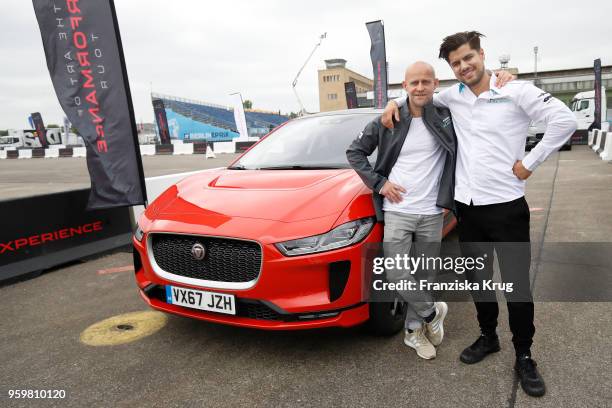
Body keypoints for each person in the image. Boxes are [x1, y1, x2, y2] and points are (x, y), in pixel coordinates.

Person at [381, 31, 577, 397]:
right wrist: (393, 102)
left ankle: (525, 354)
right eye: (456, 63)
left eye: (468, 58)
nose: (463, 66)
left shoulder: (515, 91)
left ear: (482, 55)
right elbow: (418, 94)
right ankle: (489, 337)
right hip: (467, 209)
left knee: (517, 286)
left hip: (507, 207)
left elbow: (565, 121)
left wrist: (530, 163)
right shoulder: (451, 97)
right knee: (479, 282)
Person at [346, 61, 455, 360]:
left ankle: (413, 332)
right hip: (398, 210)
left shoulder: (446, 116)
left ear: (435, 84)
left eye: (425, 82)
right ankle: (433, 313)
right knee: (396, 272)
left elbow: (473, 96)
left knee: (426, 276)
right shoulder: (389, 118)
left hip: (433, 211)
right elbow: (355, 152)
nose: (420, 87)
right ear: (404, 86)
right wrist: (379, 184)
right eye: (414, 82)